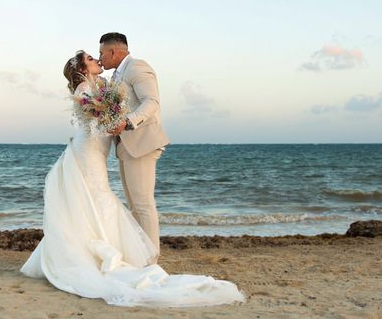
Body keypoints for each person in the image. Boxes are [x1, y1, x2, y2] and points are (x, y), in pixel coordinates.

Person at [19, 50, 245, 307]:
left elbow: (134, 107)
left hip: (98, 150)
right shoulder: (85, 87)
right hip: (88, 151)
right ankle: (93, 251)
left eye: (98, 55)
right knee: (96, 196)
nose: (97, 60)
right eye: (92, 59)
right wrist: (112, 116)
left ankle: (108, 248)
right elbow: (95, 121)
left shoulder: (104, 83)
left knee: (102, 197)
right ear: (82, 68)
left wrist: (119, 118)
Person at [98, 32, 169, 262]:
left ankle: (152, 258)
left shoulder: (137, 67)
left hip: (142, 144)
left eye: (101, 53)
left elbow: (151, 101)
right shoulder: (116, 77)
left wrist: (128, 122)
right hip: (125, 147)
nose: (100, 59)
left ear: (113, 51)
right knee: (134, 205)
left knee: (143, 204)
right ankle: (141, 254)